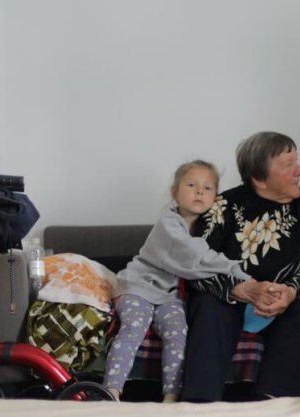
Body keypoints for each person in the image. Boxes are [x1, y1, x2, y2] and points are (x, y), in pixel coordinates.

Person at [181, 132, 300, 402]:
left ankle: (276, 401)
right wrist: (243, 289)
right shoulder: (223, 206)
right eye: (287, 165)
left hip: (285, 298)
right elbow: (195, 264)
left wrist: (292, 291)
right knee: (207, 305)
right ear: (259, 179)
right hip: (233, 297)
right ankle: (199, 404)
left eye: (296, 161)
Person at [104, 160, 250, 402]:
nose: (199, 191)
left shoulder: (211, 229)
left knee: (178, 334)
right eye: (191, 184)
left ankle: (171, 396)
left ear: (216, 196)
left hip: (170, 296)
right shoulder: (168, 223)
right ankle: (110, 392)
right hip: (140, 287)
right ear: (175, 192)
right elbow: (194, 254)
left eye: (208, 187)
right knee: (133, 327)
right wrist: (240, 273)